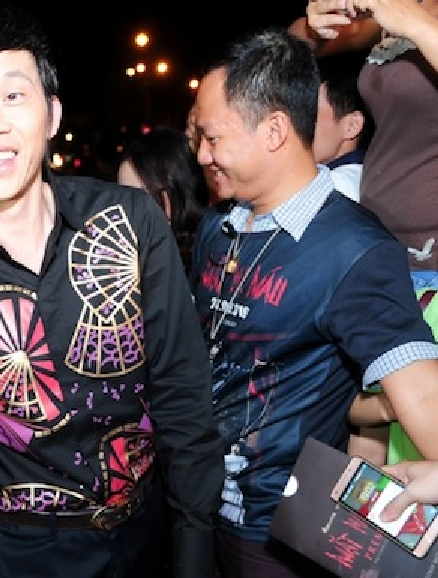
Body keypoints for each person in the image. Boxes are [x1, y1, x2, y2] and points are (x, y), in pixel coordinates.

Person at [0, 2, 224, 577]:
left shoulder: (131, 221)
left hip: (155, 531)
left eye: (13, 95)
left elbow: (183, 398)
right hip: (28, 553)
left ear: (52, 113)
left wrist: (193, 556)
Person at [188, 27, 438, 578]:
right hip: (198, 511)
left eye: (213, 137)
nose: (201, 154)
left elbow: (420, 389)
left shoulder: (353, 250)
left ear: (275, 131)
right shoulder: (217, 227)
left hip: (282, 531)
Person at [294, 0, 438, 286]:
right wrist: (316, 25)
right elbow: (293, 44)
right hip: (377, 242)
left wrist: (417, 25)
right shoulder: (392, 14)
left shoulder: (411, 16)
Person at [116, 125, 211, 272]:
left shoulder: (211, 261)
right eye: (123, 198)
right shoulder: (126, 264)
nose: (126, 212)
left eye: (139, 199)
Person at [312, 54, 371, 202]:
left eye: (312, 113)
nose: (299, 123)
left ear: (352, 126)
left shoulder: (336, 185)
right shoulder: (363, 177)